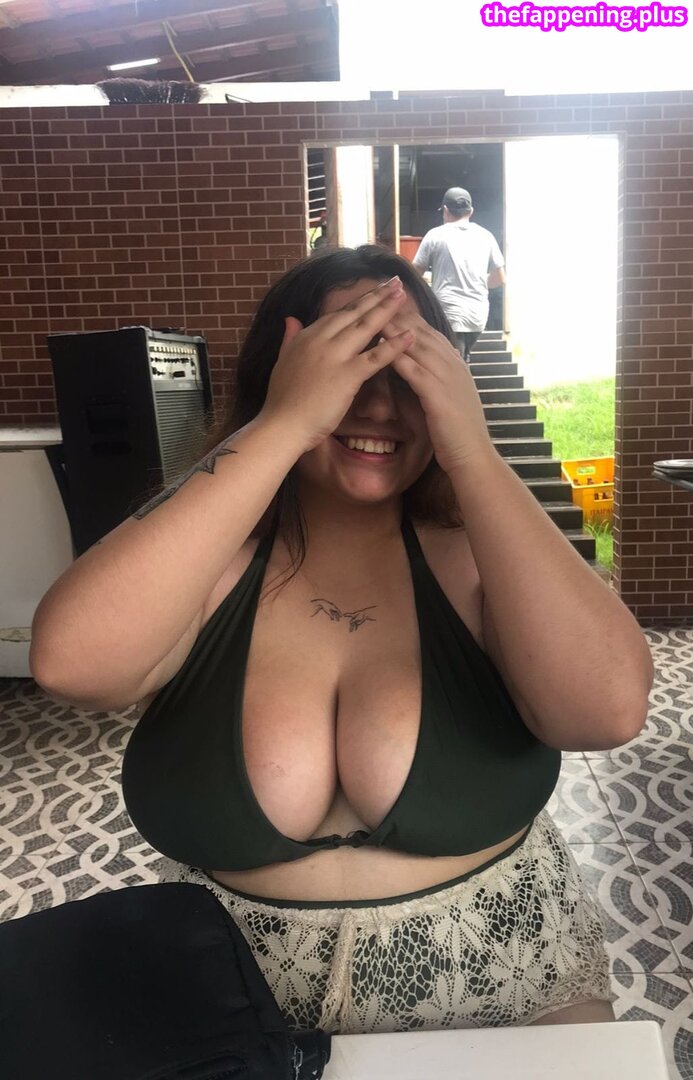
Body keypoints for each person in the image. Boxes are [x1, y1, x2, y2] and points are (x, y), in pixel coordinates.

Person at [30, 245, 653, 1036]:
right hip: (233, 1018)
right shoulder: (208, 569)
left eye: (407, 368)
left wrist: (470, 448)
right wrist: (285, 423)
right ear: (283, 371)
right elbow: (71, 663)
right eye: (350, 359)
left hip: (512, 994)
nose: (380, 406)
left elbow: (606, 710)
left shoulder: (478, 561)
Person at [413, 187, 506, 362]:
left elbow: (414, 274)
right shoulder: (486, 236)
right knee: (460, 360)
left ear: (445, 210)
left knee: (451, 364)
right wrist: (477, 281)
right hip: (477, 317)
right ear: (471, 211)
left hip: (448, 314)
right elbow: (500, 278)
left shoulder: (435, 235)